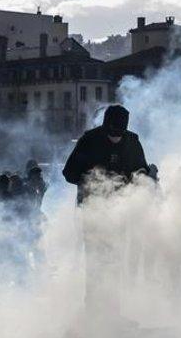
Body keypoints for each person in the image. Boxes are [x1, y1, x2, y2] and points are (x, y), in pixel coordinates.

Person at [62, 104, 151, 313]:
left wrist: (139, 182)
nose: (115, 138)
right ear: (105, 127)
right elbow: (69, 173)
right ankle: (93, 312)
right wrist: (93, 181)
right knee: (95, 263)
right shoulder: (89, 140)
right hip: (93, 212)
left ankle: (114, 312)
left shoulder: (132, 142)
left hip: (120, 212)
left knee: (116, 262)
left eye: (119, 134)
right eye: (112, 133)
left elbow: (142, 173)